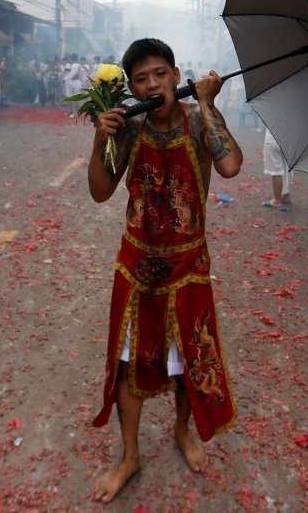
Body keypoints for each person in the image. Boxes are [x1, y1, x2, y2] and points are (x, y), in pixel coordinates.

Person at [88, 38, 242, 503]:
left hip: (187, 265)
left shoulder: (199, 121)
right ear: (132, 89)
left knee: (188, 362)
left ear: (177, 76)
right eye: (141, 79)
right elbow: (99, 192)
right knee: (125, 364)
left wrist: (211, 103)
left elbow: (231, 166)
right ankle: (130, 454)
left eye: (159, 73)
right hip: (137, 265)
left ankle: (181, 430)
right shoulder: (128, 130)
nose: (152, 83)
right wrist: (100, 137)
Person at [262, 128, 292, 211]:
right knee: (286, 167)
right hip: (289, 138)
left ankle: (277, 200)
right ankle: (286, 196)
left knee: (276, 171)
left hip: (273, 138)